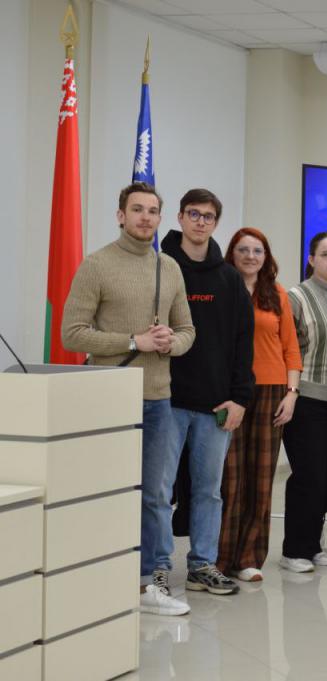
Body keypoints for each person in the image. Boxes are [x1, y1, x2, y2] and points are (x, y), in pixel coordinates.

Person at [62, 181, 195, 616]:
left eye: (152, 211)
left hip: (157, 399)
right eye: (137, 209)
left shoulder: (169, 267)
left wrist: (170, 342)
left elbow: (188, 331)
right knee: (105, 490)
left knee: (154, 495)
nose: (145, 217)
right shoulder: (97, 265)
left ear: (160, 218)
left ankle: (147, 582)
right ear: (121, 215)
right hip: (108, 399)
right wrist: (134, 341)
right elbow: (72, 334)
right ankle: (96, 573)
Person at [161, 188, 253, 596]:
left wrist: (241, 398)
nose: (200, 222)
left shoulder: (229, 279)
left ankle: (202, 565)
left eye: (208, 216)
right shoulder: (160, 269)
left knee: (208, 492)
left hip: (216, 405)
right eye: (194, 214)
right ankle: (156, 567)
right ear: (180, 217)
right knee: (159, 492)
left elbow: (243, 342)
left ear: (216, 223)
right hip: (165, 401)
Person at [219, 228, 302, 580]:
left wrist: (292, 393)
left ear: (266, 257)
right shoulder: (222, 289)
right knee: (230, 479)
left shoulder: (277, 293)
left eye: (258, 251)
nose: (250, 256)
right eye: (243, 250)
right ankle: (220, 559)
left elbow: (291, 348)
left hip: (271, 391)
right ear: (232, 254)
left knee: (261, 478)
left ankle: (249, 558)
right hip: (230, 392)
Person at [280, 232, 327, 574]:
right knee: (309, 476)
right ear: (311, 259)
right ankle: (293, 550)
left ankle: (312, 544)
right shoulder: (295, 297)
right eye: (326, 254)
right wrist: (290, 392)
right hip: (306, 397)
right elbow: (286, 349)